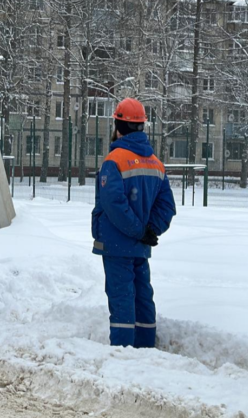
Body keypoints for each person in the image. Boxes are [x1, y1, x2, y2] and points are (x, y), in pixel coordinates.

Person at [92, 97, 176, 348]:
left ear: (118, 125)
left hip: (117, 245)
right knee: (142, 297)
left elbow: (113, 203)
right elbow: (167, 206)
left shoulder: (114, 160)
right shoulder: (155, 162)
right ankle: (145, 348)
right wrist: (151, 230)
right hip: (140, 247)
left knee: (121, 299)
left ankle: (122, 353)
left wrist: (139, 231)